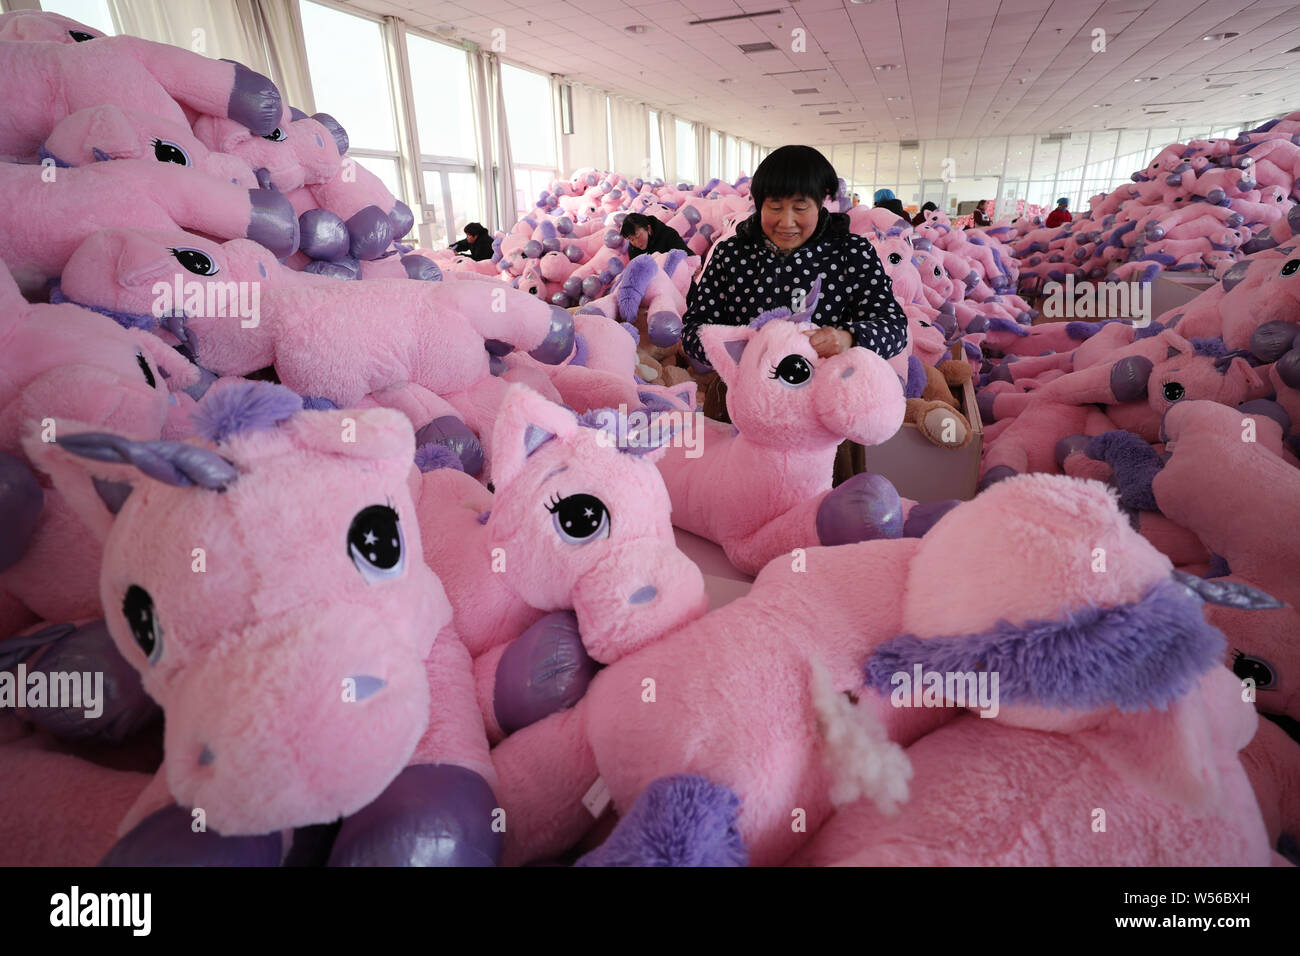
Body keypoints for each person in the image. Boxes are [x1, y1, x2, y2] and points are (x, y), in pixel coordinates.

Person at [682, 144, 908, 383]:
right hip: (746, 396)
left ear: (822, 200)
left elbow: (893, 327)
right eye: (775, 207)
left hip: (826, 397)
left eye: (800, 207)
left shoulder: (852, 253)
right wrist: (744, 347)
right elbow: (694, 330)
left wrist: (847, 339)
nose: (786, 222)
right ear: (759, 204)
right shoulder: (731, 254)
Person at [620, 212, 688, 259]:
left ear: (648, 228)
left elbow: (685, 253)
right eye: (631, 239)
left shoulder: (668, 234)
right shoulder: (633, 249)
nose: (636, 242)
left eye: (637, 237)